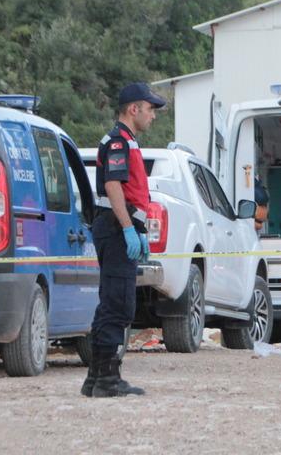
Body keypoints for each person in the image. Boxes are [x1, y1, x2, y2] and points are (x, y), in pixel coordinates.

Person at [80, 82, 165, 398]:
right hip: (116, 228)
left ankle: (96, 377)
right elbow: (114, 186)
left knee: (111, 304)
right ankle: (107, 379)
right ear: (134, 108)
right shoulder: (119, 142)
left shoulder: (126, 141)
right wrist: (129, 227)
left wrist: (137, 230)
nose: (153, 116)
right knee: (119, 304)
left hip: (118, 227)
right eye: (150, 109)